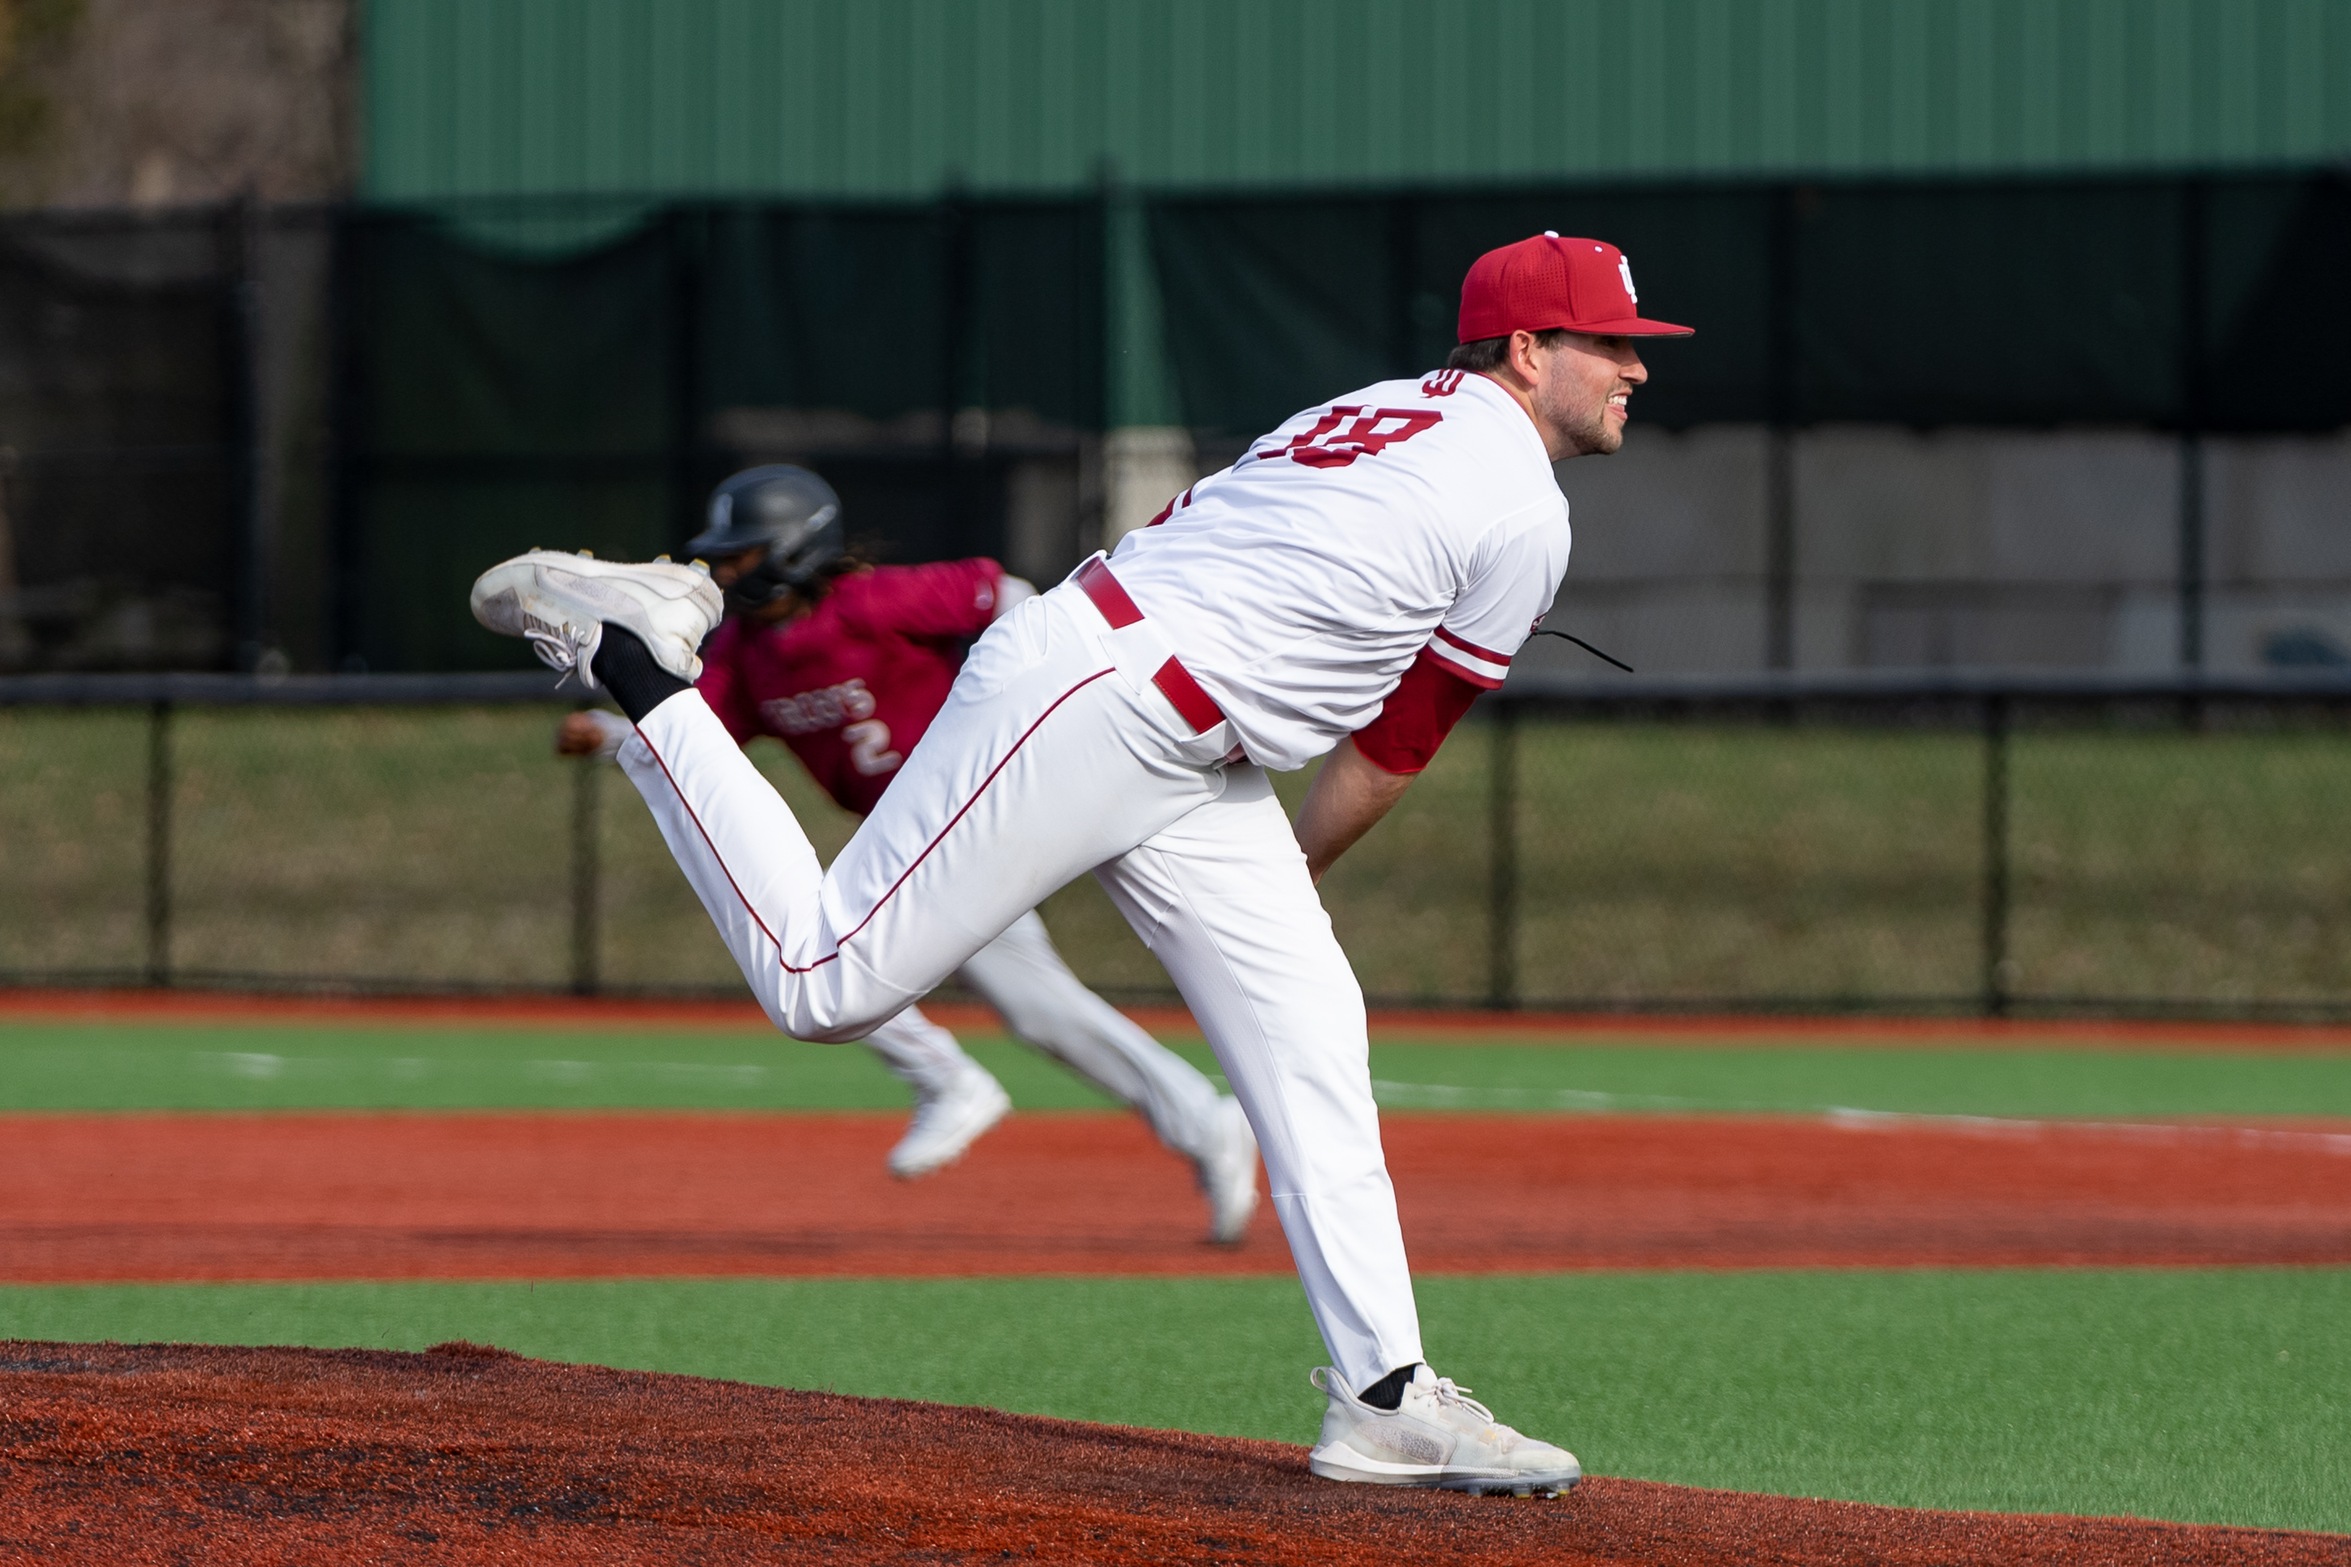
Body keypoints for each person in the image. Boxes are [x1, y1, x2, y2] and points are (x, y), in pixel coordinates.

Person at [469, 232, 1687, 1494]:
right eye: (1610, 344)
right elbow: (1394, 745)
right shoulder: (1519, 509)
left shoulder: (1371, 408)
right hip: (1107, 693)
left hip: (1184, 734)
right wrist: (1298, 867)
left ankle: (1382, 1398)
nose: (1634, 370)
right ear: (1527, 349)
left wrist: (1269, 894)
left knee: (1312, 1027)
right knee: (820, 981)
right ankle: (636, 667)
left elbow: (1210, 534)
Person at [555, 465, 1260, 1243]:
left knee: (821, 944)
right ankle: (1199, 1120)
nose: (726, 573)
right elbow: (699, 732)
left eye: (743, 556)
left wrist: (1022, 686)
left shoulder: (868, 599)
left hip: (987, 794)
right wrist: (614, 730)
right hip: (916, 832)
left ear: (793, 546)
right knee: (1021, 1003)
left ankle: (953, 1079)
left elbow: (1005, 591)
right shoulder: (749, 654)